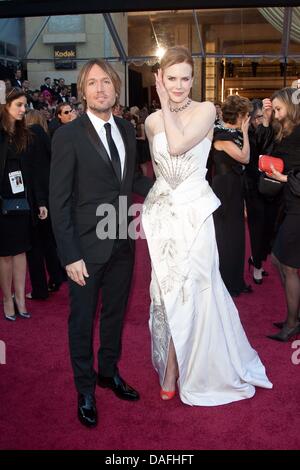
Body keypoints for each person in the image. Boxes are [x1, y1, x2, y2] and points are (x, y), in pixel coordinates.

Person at [142, 45, 272, 406]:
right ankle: (171, 364)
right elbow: (161, 171)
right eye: (172, 79)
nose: (179, 85)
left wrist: (166, 104)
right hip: (164, 217)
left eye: (185, 78)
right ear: (160, 79)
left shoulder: (206, 110)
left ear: (193, 79)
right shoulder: (151, 122)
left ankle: (190, 366)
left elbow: (181, 145)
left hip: (195, 213)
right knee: (167, 292)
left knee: (197, 285)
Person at [49, 59, 152, 428]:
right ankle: (86, 387)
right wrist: (70, 255)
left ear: (116, 88)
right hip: (85, 250)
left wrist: (168, 190)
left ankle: (108, 372)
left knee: (114, 314)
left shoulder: (126, 129)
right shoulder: (67, 136)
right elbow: (58, 201)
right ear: (82, 91)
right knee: (81, 320)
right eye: (92, 83)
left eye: (105, 81)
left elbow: (129, 183)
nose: (100, 89)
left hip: (122, 240)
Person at [0, 88, 48, 321]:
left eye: (24, 105)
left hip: (22, 202)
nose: (23, 110)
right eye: (18, 105)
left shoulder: (25, 135)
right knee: (5, 255)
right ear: (5, 105)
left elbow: (34, 172)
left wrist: (40, 201)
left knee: (21, 252)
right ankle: (7, 298)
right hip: (2, 203)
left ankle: (20, 298)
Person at [261, 88, 300, 342]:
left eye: (278, 109)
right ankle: (295, 318)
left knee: (288, 265)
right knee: (279, 260)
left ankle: (291, 323)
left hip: (298, 206)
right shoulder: (283, 130)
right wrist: (266, 120)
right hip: (289, 203)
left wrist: (284, 178)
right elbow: (264, 150)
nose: (275, 113)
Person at [211, 95, 253, 297]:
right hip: (224, 190)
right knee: (226, 237)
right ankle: (227, 282)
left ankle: (235, 279)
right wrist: (245, 132)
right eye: (246, 115)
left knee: (236, 236)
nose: (248, 119)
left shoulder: (229, 133)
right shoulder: (221, 137)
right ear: (238, 115)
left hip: (234, 187)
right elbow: (245, 158)